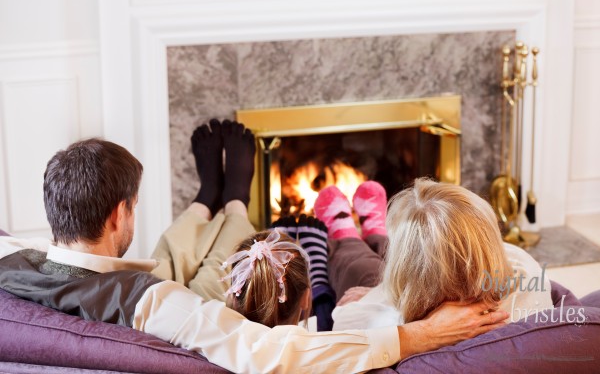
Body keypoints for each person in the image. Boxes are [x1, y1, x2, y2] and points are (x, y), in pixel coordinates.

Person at [0, 121, 508, 373]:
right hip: (163, 302)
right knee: (209, 260)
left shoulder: (10, 264)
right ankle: (231, 201)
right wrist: (418, 336)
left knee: (176, 254)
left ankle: (221, 199)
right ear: (120, 214)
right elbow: (274, 352)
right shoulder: (153, 300)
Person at [327, 178, 554, 331]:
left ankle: (347, 234)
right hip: (422, 283)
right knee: (421, 249)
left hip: (401, 293)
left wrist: (377, 294)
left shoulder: (390, 324)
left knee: (360, 267)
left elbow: (342, 319)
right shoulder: (527, 271)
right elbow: (492, 252)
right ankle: (375, 231)